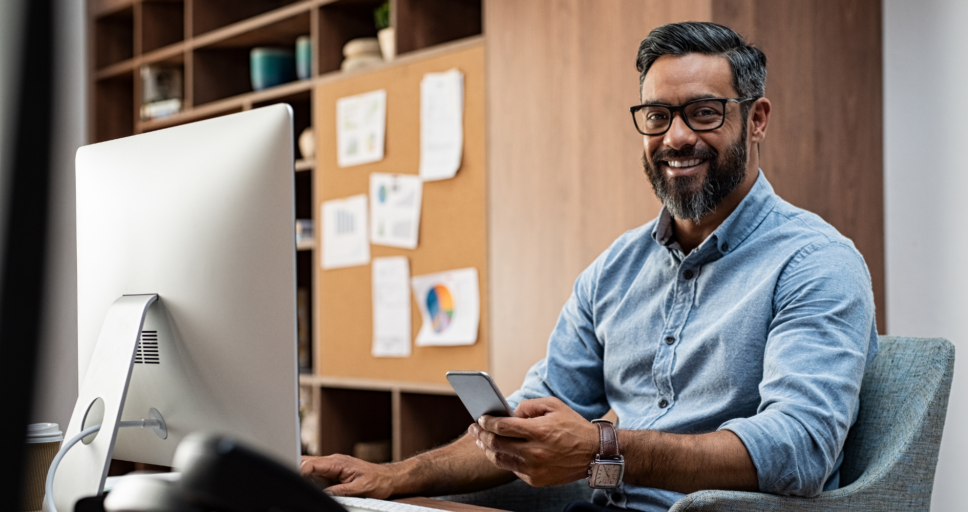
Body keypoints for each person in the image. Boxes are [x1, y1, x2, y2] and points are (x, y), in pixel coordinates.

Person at [301, 21, 878, 512]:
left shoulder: (815, 263)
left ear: (757, 120)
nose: (676, 137)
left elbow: (799, 450)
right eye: (657, 115)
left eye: (704, 113)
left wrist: (604, 447)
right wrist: (389, 479)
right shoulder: (614, 270)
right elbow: (531, 418)